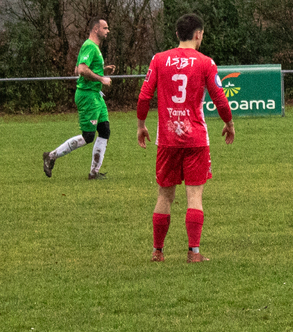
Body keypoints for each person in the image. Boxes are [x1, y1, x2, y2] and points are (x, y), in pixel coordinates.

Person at [135, 13, 235, 263]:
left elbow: (144, 96)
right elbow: (220, 98)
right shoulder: (206, 62)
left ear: (177, 34)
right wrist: (229, 123)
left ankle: (157, 251)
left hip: (167, 139)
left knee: (164, 195)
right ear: (198, 34)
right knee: (194, 195)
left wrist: (141, 125)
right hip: (195, 139)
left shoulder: (159, 59)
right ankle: (194, 253)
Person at [44, 18, 116, 180]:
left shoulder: (93, 47)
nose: (108, 31)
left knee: (104, 130)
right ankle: (51, 156)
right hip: (88, 95)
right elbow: (82, 70)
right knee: (88, 136)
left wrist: (102, 70)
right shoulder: (89, 46)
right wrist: (101, 78)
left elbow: (77, 69)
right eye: (105, 28)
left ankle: (94, 173)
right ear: (96, 29)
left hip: (96, 95)